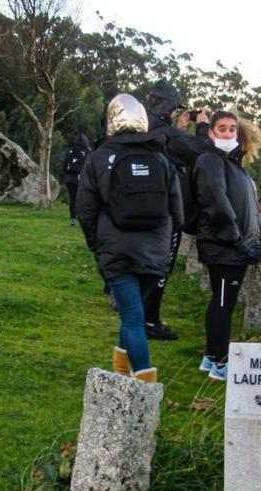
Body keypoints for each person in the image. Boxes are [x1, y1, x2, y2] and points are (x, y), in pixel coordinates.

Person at [76, 94, 184, 383]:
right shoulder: (161, 158)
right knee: (132, 312)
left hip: (117, 250)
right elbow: (178, 212)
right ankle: (121, 373)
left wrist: (96, 244)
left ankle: (145, 387)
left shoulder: (99, 158)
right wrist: (164, 245)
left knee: (133, 318)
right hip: (155, 252)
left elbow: (85, 209)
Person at [193, 110, 261, 381]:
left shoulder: (232, 163)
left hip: (230, 247)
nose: (227, 133)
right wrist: (236, 240)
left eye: (232, 129)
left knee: (220, 303)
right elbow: (216, 201)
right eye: (221, 128)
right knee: (223, 305)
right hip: (226, 248)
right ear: (211, 133)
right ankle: (221, 364)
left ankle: (211, 357)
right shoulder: (211, 160)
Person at [142, 80, 211, 340]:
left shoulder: (142, 130)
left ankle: (136, 314)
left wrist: (179, 128)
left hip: (137, 207)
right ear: (168, 107)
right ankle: (149, 322)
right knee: (161, 266)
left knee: (143, 263)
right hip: (166, 212)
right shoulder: (169, 135)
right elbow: (202, 152)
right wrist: (203, 124)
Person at [60, 133, 91, 225]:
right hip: (81, 179)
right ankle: (83, 217)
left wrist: (65, 176)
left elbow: (63, 166)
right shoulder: (87, 152)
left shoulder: (69, 151)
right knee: (83, 199)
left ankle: (72, 218)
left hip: (69, 179)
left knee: (72, 199)